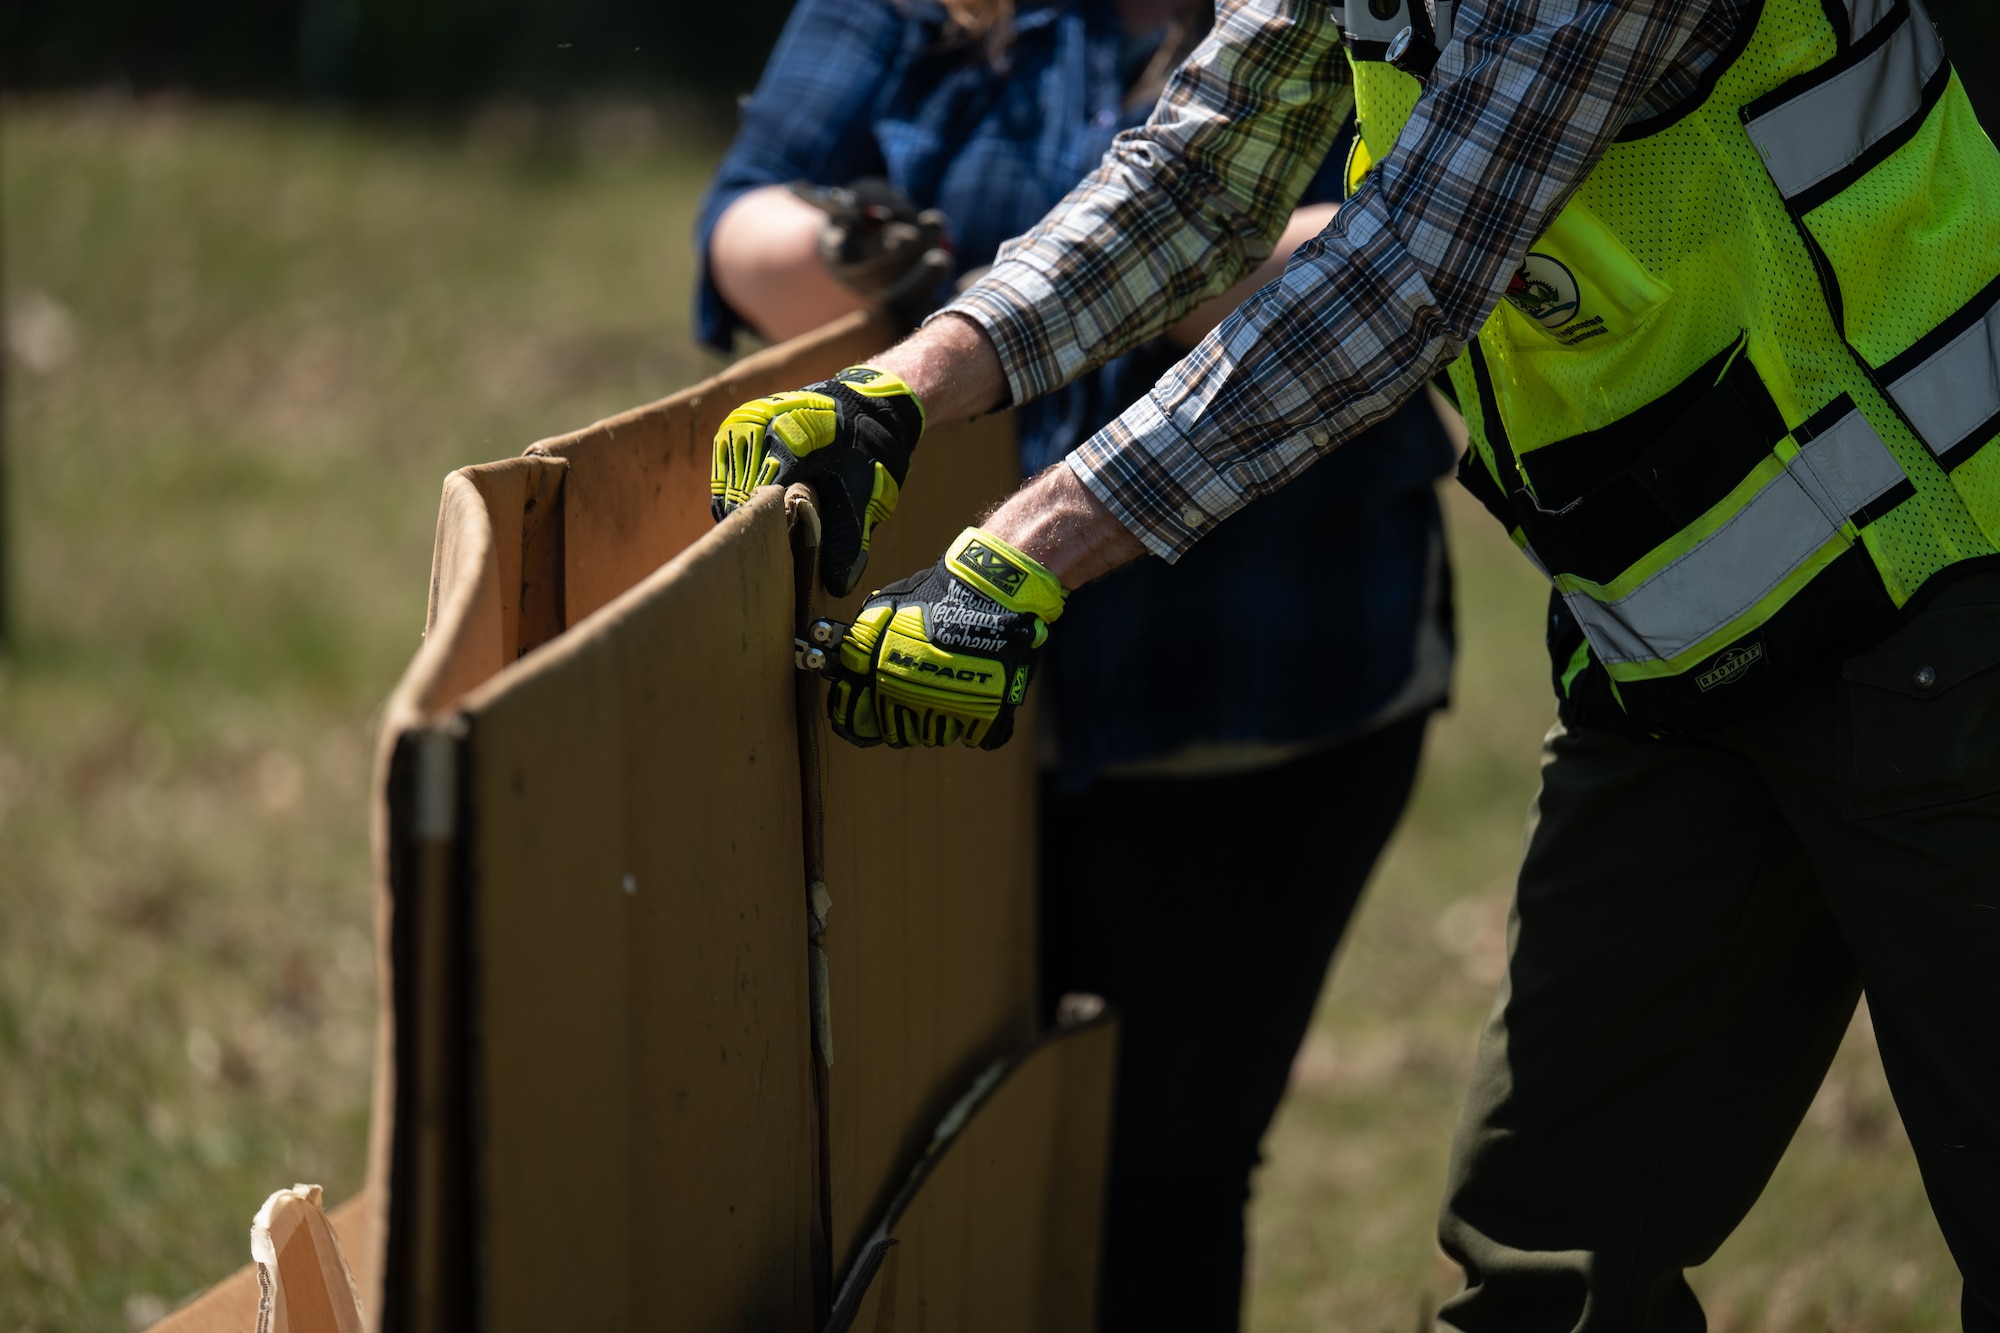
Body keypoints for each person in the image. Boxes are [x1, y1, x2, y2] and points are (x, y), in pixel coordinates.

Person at [708, 0, 2000, 1325]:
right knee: (1544, 1264)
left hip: (1950, 604)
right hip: (1684, 645)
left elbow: (1412, 272)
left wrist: (1024, 550)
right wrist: (909, 387)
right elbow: (1204, 167)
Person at [695, 2, 1458, 1329]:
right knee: (913, 1168)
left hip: (1257, 696)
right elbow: (741, 227)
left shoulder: (1345, 16)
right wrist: (852, 257)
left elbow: (1444, 232)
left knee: (1160, 1172)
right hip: (928, 722)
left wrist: (1238, 263)